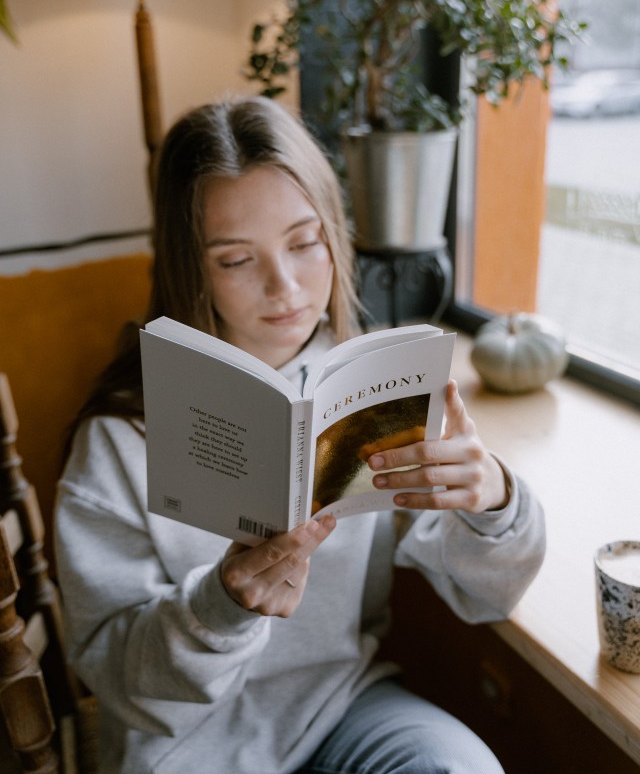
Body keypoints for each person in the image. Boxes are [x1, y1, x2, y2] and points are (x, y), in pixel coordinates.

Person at [55, 96, 545, 774]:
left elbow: (488, 592)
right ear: (189, 264)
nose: (284, 286)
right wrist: (219, 607)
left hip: (340, 706)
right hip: (183, 745)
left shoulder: (371, 385)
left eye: (305, 243)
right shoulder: (118, 437)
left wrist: (492, 500)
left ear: (334, 234)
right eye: (235, 260)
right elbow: (113, 669)